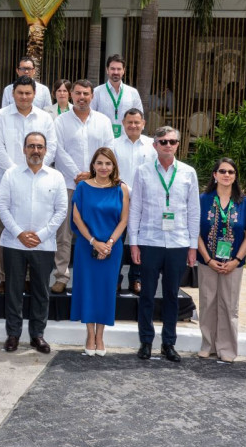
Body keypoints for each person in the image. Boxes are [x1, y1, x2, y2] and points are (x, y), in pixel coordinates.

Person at [127, 126, 199, 362]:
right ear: (154, 145)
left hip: (178, 242)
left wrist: (192, 246)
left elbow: (193, 212)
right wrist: (134, 243)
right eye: (163, 141)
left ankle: (169, 343)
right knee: (147, 294)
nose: (168, 145)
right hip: (149, 241)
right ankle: (146, 342)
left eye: (172, 141)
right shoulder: (143, 171)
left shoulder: (188, 173)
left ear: (178, 144)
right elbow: (135, 207)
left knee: (171, 295)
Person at [0, 131, 68, 354]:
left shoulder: (56, 177)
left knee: (40, 291)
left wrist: (42, 234)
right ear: (24, 149)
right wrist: (19, 233)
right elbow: (2, 207)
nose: (35, 150)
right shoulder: (10, 174)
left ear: (46, 150)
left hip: (43, 244)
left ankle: (37, 335)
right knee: (14, 291)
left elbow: (61, 210)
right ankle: (13, 334)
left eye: (39, 146)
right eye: (31, 146)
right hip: (14, 243)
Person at [0, 75, 58, 293]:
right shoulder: (1, 116)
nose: (24, 97)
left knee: (35, 226)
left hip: (40, 180)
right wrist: (16, 172)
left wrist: (36, 169)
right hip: (8, 181)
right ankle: (4, 278)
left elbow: (51, 147)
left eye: (28, 93)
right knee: (5, 231)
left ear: (35, 95)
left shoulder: (45, 119)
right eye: (20, 93)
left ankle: (30, 278)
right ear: (12, 94)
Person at [52, 79, 115, 293]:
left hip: (98, 186)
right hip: (69, 184)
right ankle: (61, 277)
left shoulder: (103, 121)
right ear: (71, 95)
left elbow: (108, 150)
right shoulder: (60, 122)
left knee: (95, 231)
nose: (82, 97)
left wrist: (92, 174)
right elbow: (58, 151)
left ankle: (89, 278)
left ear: (92, 96)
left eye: (86, 94)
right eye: (78, 93)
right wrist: (78, 175)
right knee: (64, 234)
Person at [195, 157, 246, 363]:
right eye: (222, 171)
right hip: (207, 261)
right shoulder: (203, 199)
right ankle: (208, 345)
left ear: (235, 176)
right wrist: (207, 258)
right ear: (215, 175)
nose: (226, 175)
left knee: (229, 306)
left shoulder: (244, 203)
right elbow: (195, 233)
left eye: (231, 172)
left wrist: (237, 259)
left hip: (233, 263)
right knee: (208, 302)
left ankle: (227, 348)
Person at [69, 148, 129, 356]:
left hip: (112, 248)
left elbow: (124, 220)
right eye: (100, 163)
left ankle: (100, 336)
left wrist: (109, 243)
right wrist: (94, 242)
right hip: (87, 246)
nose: (104, 167)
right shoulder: (83, 187)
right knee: (87, 288)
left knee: (105, 290)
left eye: (108, 163)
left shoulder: (121, 189)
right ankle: (89, 335)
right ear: (93, 165)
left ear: (114, 166)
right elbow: (76, 218)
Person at [111, 107, 154, 293]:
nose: (133, 125)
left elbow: (154, 172)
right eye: (129, 122)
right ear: (123, 124)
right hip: (119, 198)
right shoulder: (113, 145)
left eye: (137, 122)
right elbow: (110, 172)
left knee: (140, 241)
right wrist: (127, 190)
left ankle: (136, 279)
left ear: (143, 124)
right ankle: (115, 278)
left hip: (145, 200)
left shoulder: (152, 145)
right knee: (117, 240)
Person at [91, 54, 143, 139]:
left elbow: (140, 117)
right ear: (107, 70)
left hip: (126, 140)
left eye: (119, 69)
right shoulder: (97, 92)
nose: (116, 72)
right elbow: (90, 116)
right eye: (112, 69)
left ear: (123, 71)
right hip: (102, 140)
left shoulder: (133, 92)